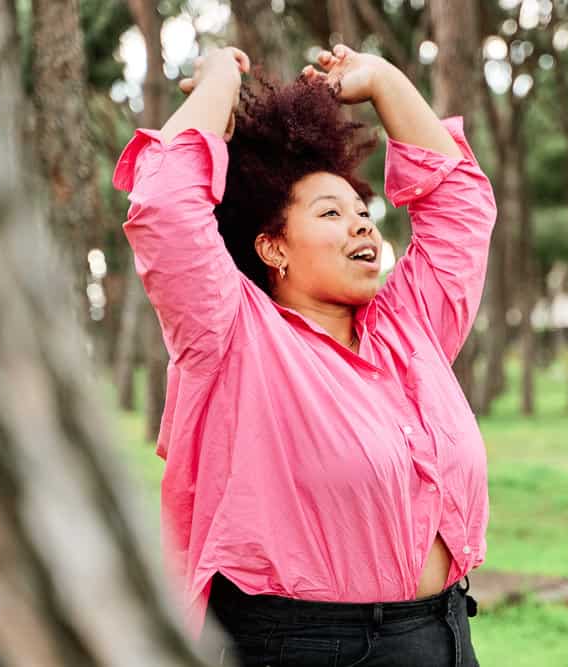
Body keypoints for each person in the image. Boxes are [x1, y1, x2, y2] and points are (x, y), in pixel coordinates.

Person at [112, 43, 496, 667]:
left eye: (362, 212)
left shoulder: (410, 327)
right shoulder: (231, 336)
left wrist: (386, 82)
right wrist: (217, 88)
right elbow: (165, 208)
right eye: (330, 213)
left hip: (443, 634)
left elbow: (460, 211)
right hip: (299, 647)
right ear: (272, 248)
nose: (362, 225)